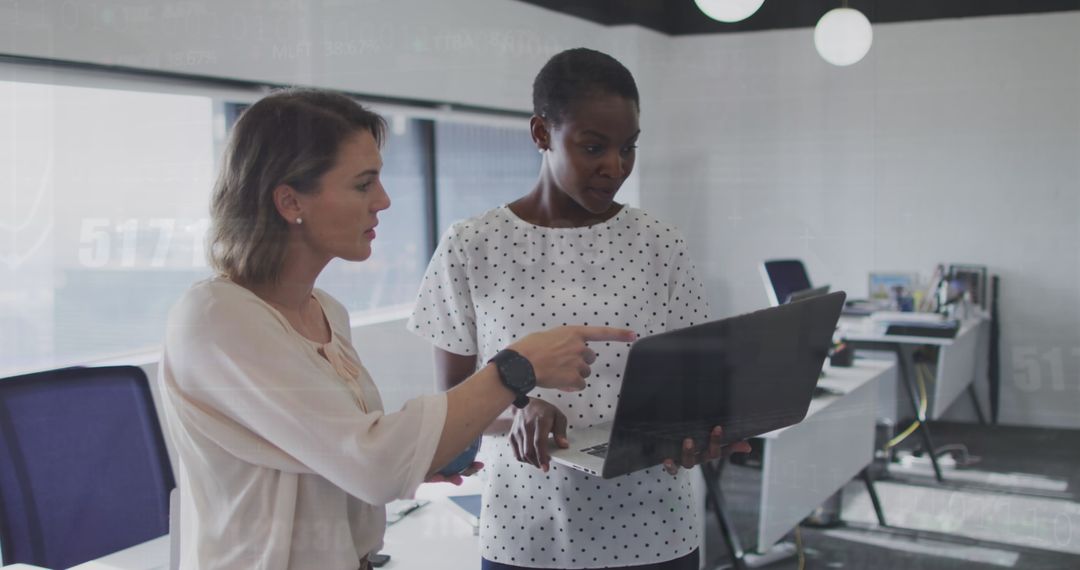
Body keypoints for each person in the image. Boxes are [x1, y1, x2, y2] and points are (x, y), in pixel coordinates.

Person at [158, 88, 635, 569]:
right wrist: (518, 367)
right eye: (364, 184)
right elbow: (373, 463)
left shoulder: (324, 310)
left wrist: (436, 448)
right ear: (289, 200)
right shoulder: (217, 317)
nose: (383, 201)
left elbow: (349, 448)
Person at [409, 48, 750, 570]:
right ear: (541, 133)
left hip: (655, 530)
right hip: (527, 533)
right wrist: (517, 408)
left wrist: (702, 433)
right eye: (593, 146)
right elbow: (452, 406)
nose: (614, 167)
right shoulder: (471, 246)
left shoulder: (661, 245)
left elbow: (697, 386)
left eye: (628, 148)